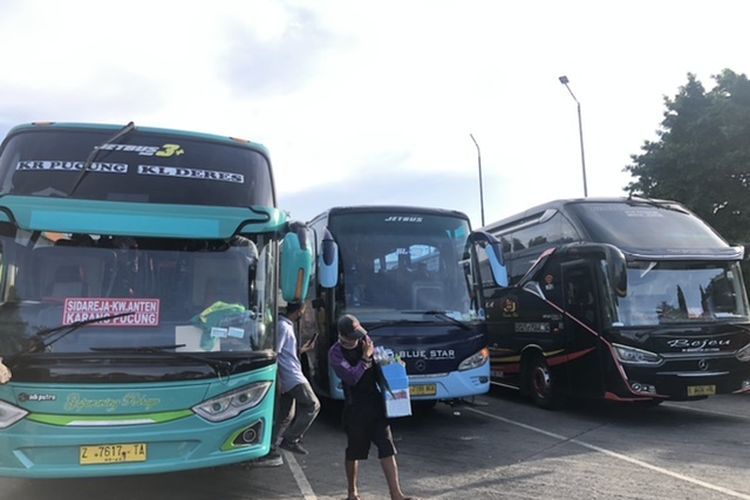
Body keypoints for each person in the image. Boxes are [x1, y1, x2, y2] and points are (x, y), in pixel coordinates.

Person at [328, 314, 412, 500]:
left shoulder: (365, 340)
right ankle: (352, 493)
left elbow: (378, 362)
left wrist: (393, 365)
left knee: (387, 447)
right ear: (343, 335)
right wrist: (365, 359)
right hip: (355, 407)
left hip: (375, 404)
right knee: (355, 451)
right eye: (353, 336)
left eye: (359, 334)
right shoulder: (335, 353)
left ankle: (396, 494)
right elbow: (351, 377)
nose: (358, 339)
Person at [254, 301, 320, 467]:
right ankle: (291, 439)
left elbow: (286, 353)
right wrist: (278, 379)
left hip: (289, 375)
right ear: (299, 311)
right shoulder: (283, 327)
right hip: (292, 377)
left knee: (286, 415)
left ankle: (271, 448)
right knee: (313, 404)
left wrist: (302, 350)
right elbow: (275, 353)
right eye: (303, 311)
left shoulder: (285, 325)